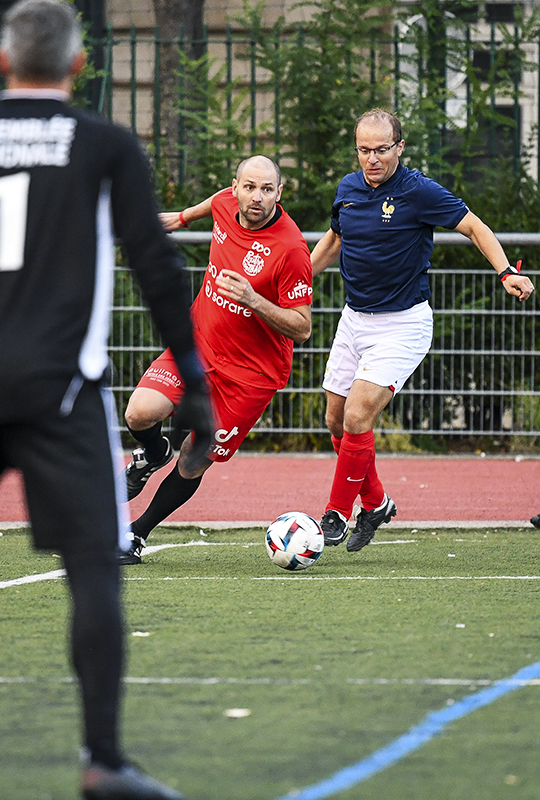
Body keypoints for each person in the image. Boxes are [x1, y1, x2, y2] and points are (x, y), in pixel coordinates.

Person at [0, 1, 214, 798]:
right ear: (81, 65)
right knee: (95, 570)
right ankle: (104, 762)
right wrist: (194, 387)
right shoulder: (102, 142)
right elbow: (158, 268)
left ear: (4, 61)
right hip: (64, 387)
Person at [311, 108, 535, 554]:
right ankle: (375, 503)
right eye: (363, 150)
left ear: (400, 147)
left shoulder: (418, 191)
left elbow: (473, 226)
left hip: (403, 324)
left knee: (357, 417)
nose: (371, 159)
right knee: (335, 421)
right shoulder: (349, 188)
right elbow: (334, 239)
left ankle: (335, 513)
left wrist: (506, 270)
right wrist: (296, 285)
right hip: (354, 319)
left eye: (381, 149)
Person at [120, 155, 313, 564]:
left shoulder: (291, 249)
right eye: (248, 187)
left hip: (250, 376)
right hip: (198, 345)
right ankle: (154, 454)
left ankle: (137, 534)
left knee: (193, 461)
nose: (256, 197)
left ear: (280, 193)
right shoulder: (227, 202)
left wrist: (254, 300)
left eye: (266, 189)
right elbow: (216, 202)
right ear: (236, 187)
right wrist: (182, 217)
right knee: (138, 414)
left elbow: (301, 327)